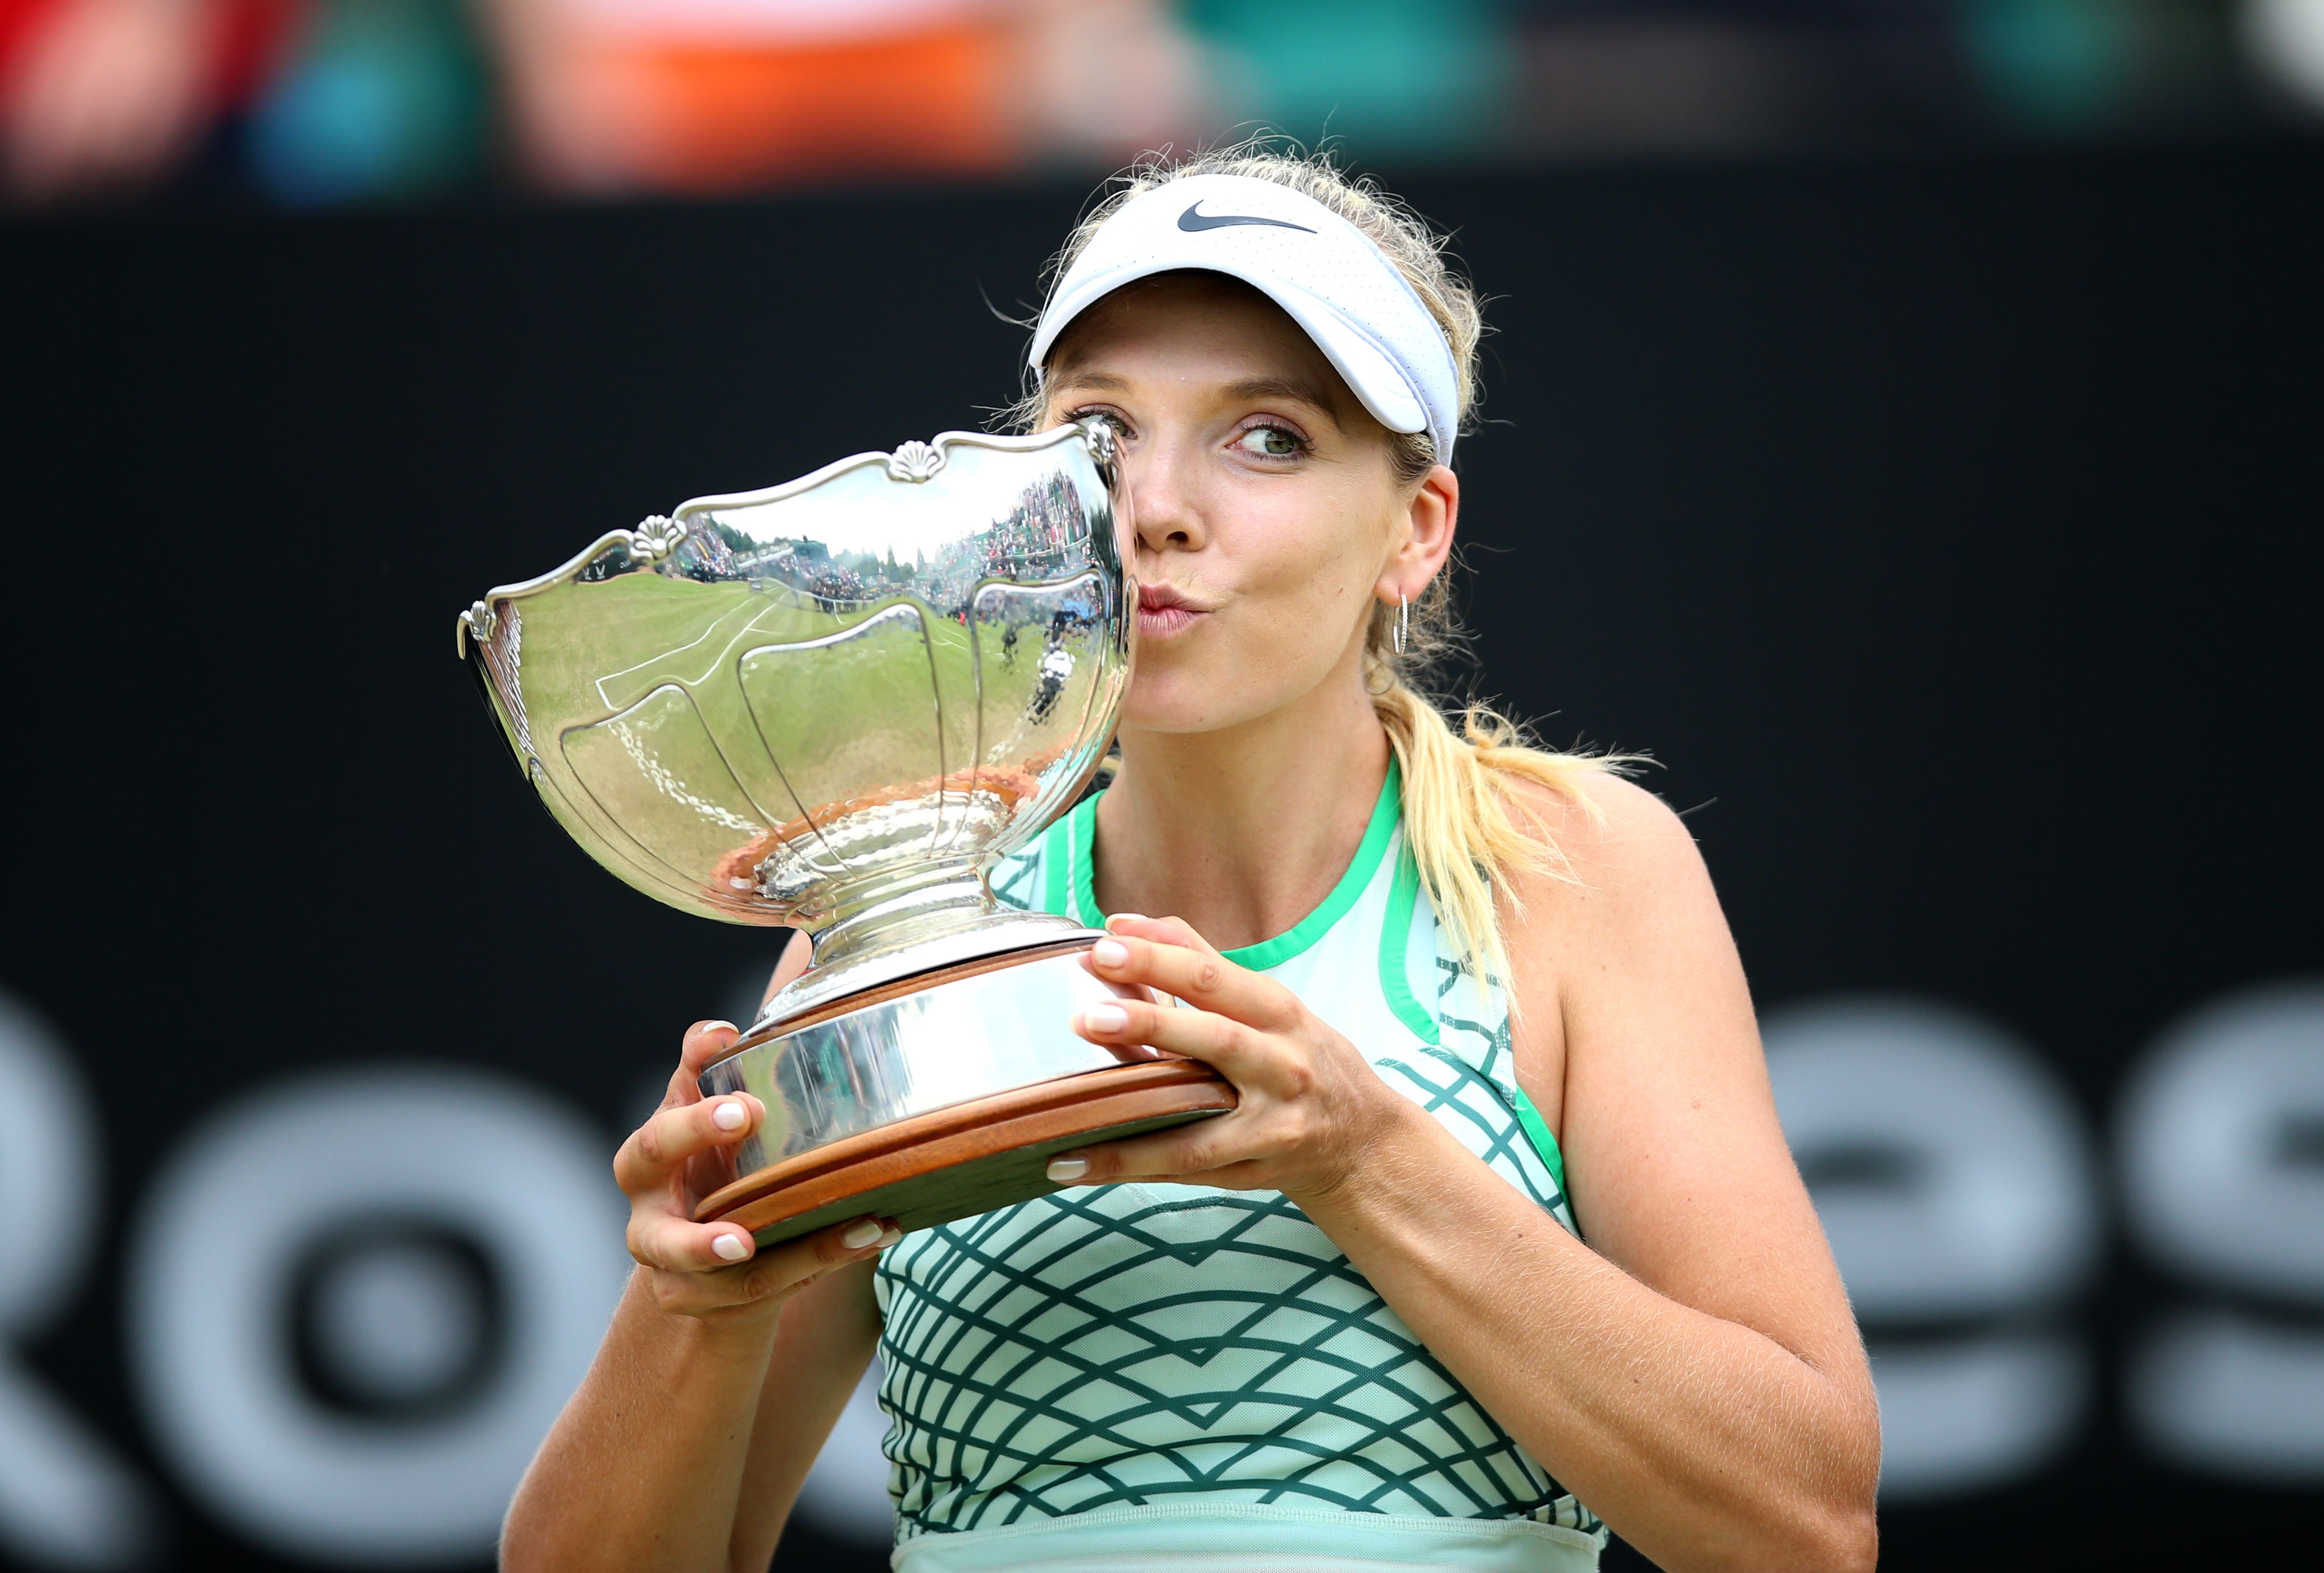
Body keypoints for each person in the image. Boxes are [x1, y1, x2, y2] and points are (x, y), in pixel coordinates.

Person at [502, 144, 1881, 1573]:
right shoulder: (900, 936)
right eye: (1100, 433)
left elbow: (1807, 1528)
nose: (1153, 505)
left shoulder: (1574, 871)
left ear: (1416, 532)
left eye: (1267, 435)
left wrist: (1362, 1154)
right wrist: (691, 1309)